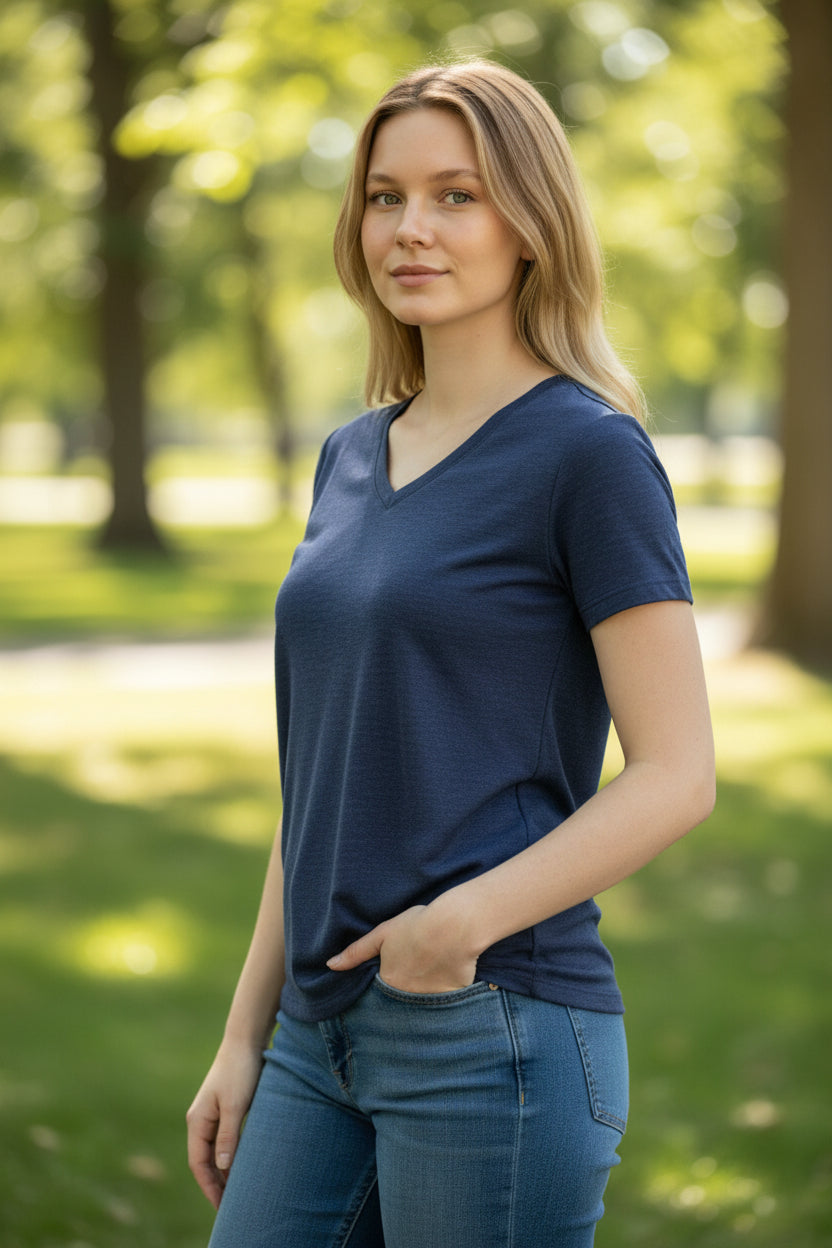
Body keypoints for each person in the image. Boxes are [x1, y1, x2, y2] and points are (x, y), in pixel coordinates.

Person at [186, 58, 715, 1248]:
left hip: (489, 1026)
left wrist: (452, 928)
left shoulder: (589, 457)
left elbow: (679, 775)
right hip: (312, 1039)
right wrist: (242, 1031)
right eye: (384, 197)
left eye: (455, 195)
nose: (409, 230)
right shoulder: (348, 457)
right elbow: (321, 773)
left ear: (530, 223)